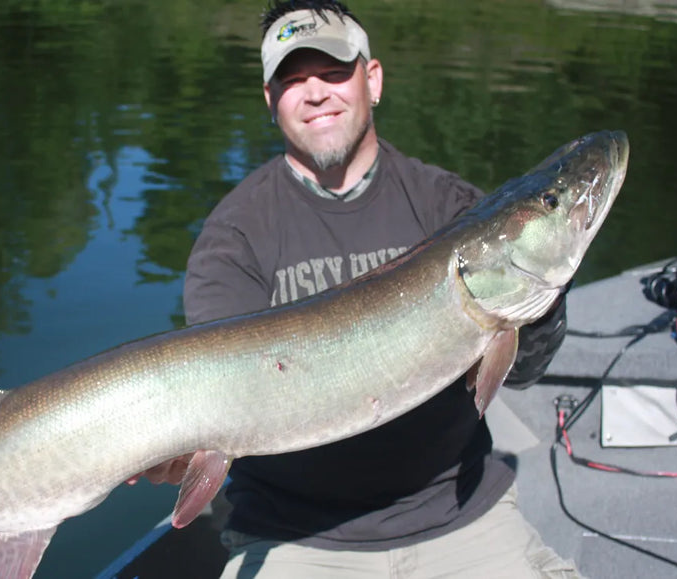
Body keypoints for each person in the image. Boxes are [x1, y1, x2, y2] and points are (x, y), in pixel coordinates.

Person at [141, 1, 578, 576]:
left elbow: (521, 370)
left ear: (372, 80)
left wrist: (537, 298)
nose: (315, 92)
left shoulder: (450, 207)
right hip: (297, 537)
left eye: (333, 71)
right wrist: (182, 445)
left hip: (459, 513)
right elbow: (218, 399)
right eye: (293, 80)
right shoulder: (234, 236)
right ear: (270, 101)